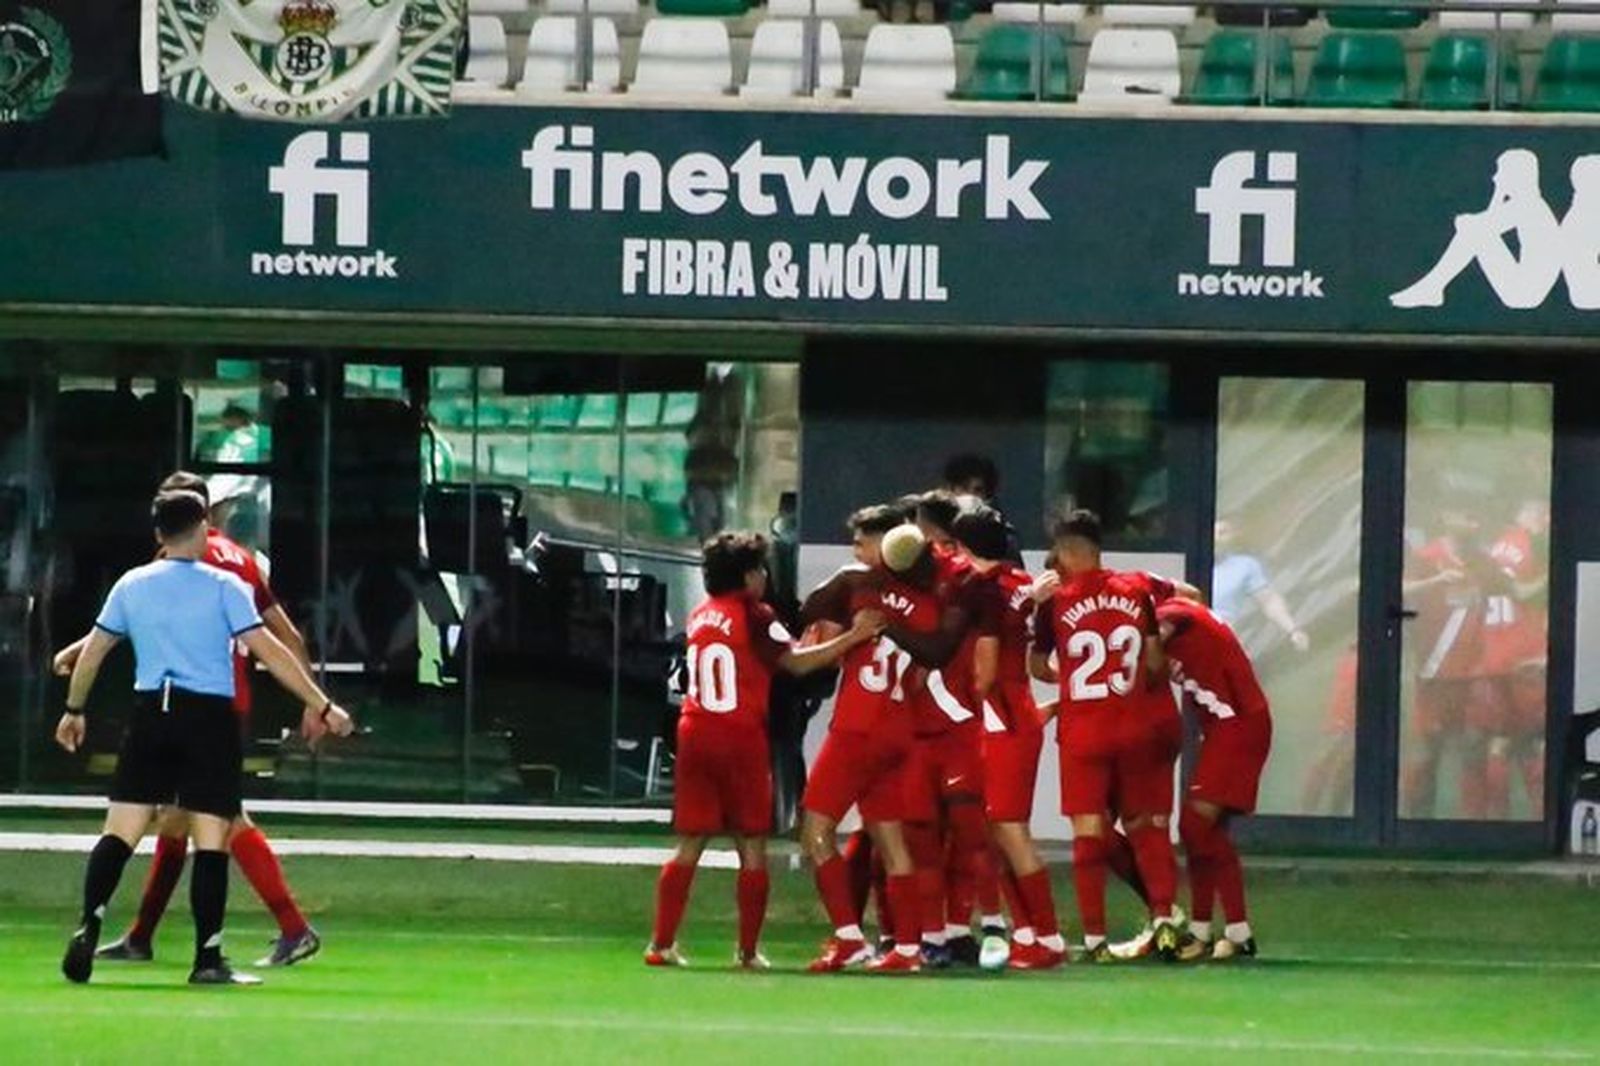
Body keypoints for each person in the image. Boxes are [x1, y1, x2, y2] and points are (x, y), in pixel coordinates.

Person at [56, 490, 351, 986]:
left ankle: (89, 923)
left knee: (119, 831)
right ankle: (208, 958)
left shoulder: (132, 584)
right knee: (211, 841)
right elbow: (273, 652)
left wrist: (74, 709)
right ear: (203, 526)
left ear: (158, 535)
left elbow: (95, 652)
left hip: (151, 710)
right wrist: (322, 703)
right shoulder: (225, 585)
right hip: (208, 716)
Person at [645, 531, 881, 969]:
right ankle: (748, 952)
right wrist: (853, 637)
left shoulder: (701, 615)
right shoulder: (756, 615)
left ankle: (661, 944)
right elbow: (795, 663)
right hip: (738, 735)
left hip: (694, 729)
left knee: (690, 841)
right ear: (750, 575)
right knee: (751, 842)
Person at [795, 506, 948, 974]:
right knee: (892, 842)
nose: (858, 552)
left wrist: (851, 589)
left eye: (864, 544)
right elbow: (927, 666)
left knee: (815, 832)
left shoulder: (861, 586)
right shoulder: (927, 604)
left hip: (858, 727)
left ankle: (848, 937)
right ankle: (906, 947)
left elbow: (809, 608)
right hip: (900, 729)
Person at [1029, 510, 1184, 963]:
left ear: (1069, 550)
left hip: (1084, 732)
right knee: (1148, 827)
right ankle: (1163, 921)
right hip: (1136, 726)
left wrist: (1069, 678)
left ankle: (1095, 940)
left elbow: (1036, 665)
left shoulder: (1054, 602)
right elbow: (1154, 663)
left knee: (1088, 832)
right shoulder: (1136, 590)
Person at [951, 504, 1067, 971]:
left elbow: (985, 668)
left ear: (962, 547)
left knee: (1007, 827)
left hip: (1000, 714)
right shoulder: (1020, 584)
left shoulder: (985, 592)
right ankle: (1028, 933)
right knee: (995, 831)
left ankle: (1048, 937)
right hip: (1012, 710)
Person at [899, 490, 1003, 967]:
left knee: (964, 832)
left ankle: (970, 930)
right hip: (920, 725)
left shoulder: (966, 581)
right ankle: (935, 935)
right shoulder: (901, 578)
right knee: (926, 835)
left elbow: (980, 657)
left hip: (956, 723)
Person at [1157, 599, 1273, 962]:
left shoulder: (1172, 616)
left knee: (1195, 825)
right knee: (1204, 831)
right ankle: (1205, 929)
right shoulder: (1185, 610)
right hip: (1228, 726)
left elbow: (1164, 628)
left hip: (1237, 725)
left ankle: (1235, 930)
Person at [1212, 518, 1309, 653]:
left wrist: (1293, 630)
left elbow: (1268, 601)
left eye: (1222, 533)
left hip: (1223, 644)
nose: (1216, 538)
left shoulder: (1245, 566)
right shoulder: (1188, 561)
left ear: (1233, 536)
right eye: (1211, 532)